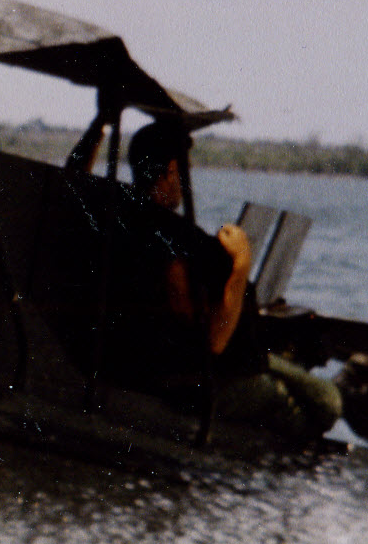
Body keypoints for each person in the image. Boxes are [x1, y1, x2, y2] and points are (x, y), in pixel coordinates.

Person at [124, 118, 343, 440]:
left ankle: (345, 393)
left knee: (322, 393)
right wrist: (241, 264)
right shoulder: (164, 244)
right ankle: (345, 398)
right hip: (203, 377)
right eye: (184, 170)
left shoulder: (129, 217)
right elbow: (211, 343)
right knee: (325, 406)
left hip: (226, 362)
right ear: (170, 171)